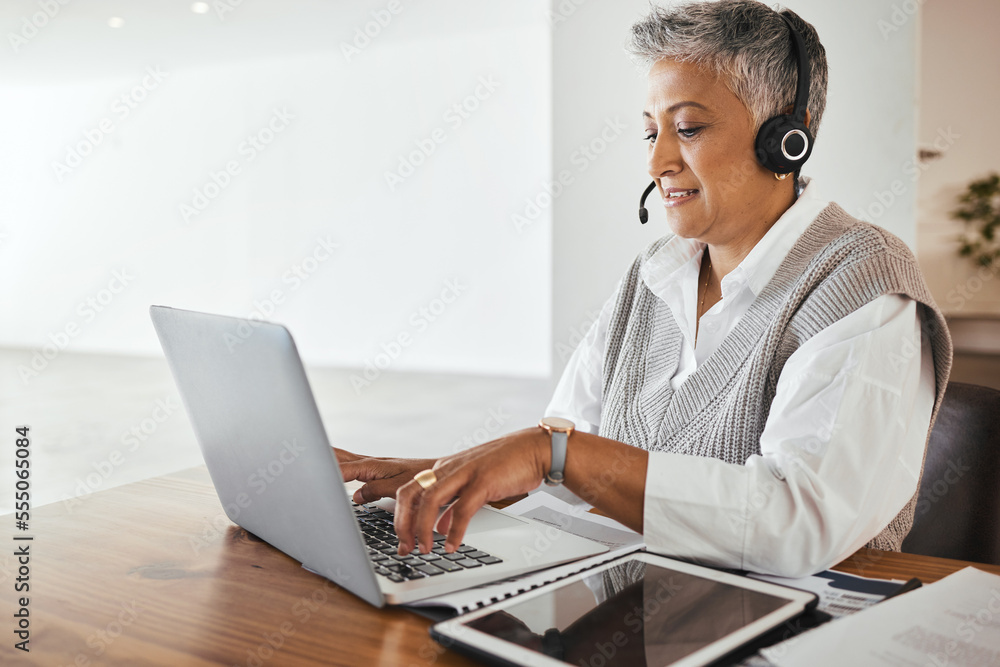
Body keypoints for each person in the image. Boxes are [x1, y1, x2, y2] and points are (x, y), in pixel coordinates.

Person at [337, 0, 952, 578]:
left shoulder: (866, 288)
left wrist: (552, 455)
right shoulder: (655, 275)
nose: (657, 161)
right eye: (650, 131)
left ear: (788, 137)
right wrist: (441, 476)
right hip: (634, 619)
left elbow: (798, 524)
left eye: (688, 128)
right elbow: (563, 457)